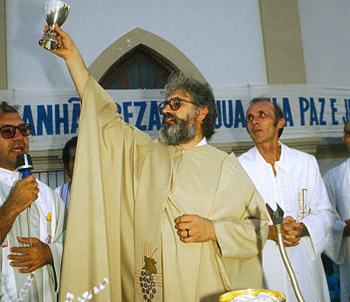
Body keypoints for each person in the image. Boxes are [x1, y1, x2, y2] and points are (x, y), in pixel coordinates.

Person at [47, 25, 269, 302]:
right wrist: (72, 58)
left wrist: (214, 230)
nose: (166, 109)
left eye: (176, 103)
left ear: (201, 112)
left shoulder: (227, 168)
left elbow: (259, 228)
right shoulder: (145, 152)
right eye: (164, 105)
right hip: (147, 286)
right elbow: (103, 117)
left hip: (202, 289)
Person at [238, 98, 336, 302]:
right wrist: (270, 232)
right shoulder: (239, 167)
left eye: (262, 115)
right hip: (264, 262)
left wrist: (302, 228)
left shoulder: (305, 163)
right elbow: (234, 222)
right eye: (250, 118)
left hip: (303, 257)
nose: (254, 121)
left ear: (280, 122)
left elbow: (325, 213)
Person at [0, 102, 65, 301]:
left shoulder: (47, 195)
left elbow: (73, 243)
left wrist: (50, 253)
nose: (19, 137)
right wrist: (11, 207)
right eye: (8, 131)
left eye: (23, 130)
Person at [323, 120, 350, 302]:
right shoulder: (334, 176)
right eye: (349, 133)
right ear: (345, 139)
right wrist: (344, 228)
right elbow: (325, 217)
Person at [55, 136, 77, 210]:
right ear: (66, 169)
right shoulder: (58, 195)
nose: (81, 163)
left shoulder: (104, 191)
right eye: (75, 159)